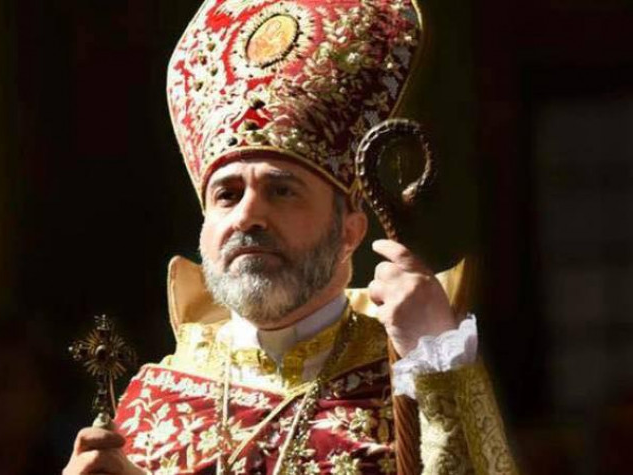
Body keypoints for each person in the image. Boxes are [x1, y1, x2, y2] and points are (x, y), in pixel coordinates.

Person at [63, 0, 519, 473]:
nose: (248, 216)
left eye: (282, 191)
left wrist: (435, 357)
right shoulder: (152, 405)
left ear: (348, 232)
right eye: (227, 194)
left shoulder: (410, 376)